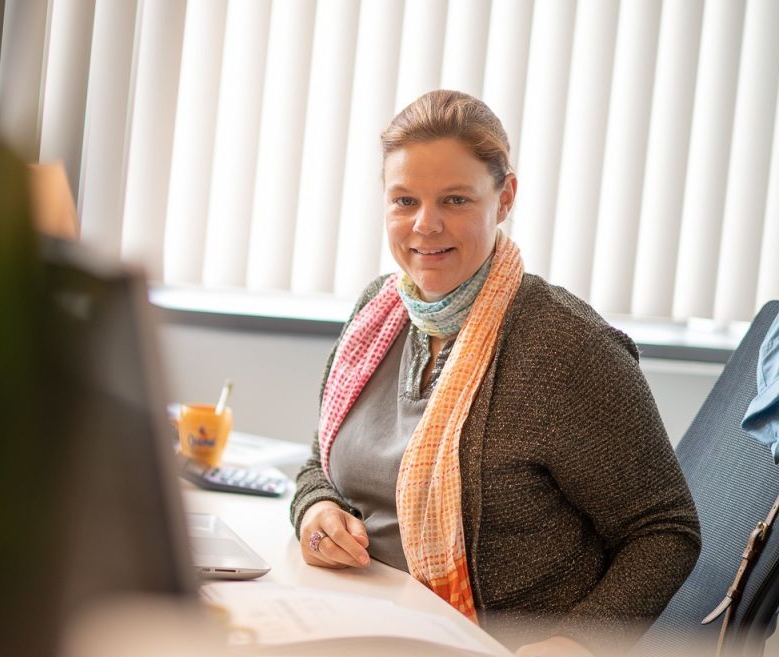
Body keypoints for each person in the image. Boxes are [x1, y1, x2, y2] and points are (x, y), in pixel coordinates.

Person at [289, 89, 700, 657]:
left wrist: (576, 643)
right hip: (354, 619)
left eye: (454, 200)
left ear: (504, 197)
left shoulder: (566, 347)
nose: (425, 226)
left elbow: (665, 532)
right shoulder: (375, 313)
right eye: (404, 200)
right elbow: (319, 463)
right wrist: (315, 511)